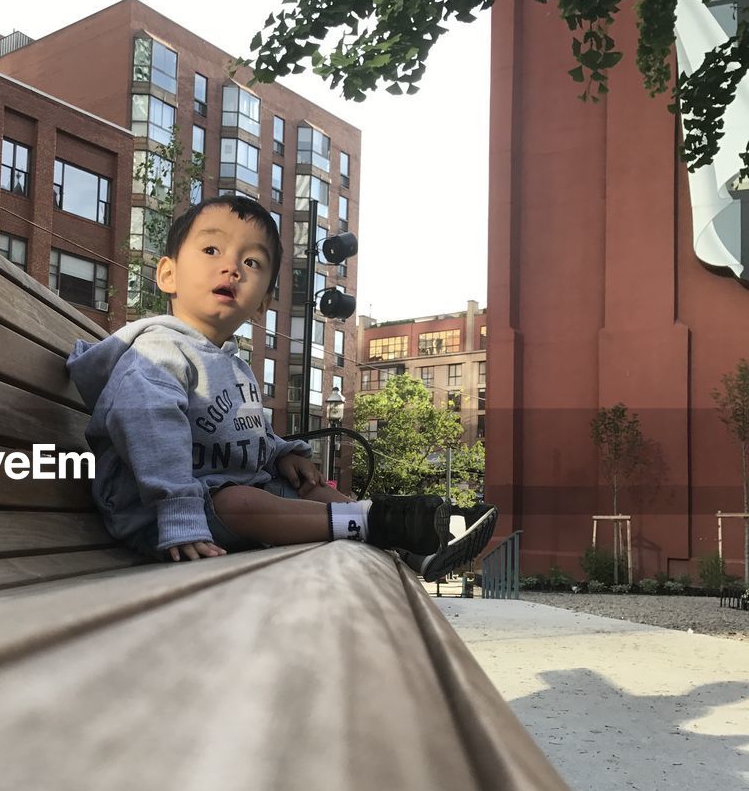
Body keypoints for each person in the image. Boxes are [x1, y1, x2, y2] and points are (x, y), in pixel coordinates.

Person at [66, 194, 496, 580]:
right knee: (241, 502)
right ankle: (377, 522)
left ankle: (415, 542)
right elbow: (148, 430)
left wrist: (280, 452)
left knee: (311, 488)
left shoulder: (233, 365)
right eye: (211, 249)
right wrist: (179, 517)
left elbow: (243, 433)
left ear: (264, 301)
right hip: (162, 518)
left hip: (221, 503)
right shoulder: (157, 354)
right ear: (167, 275)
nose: (231, 267)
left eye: (251, 262)